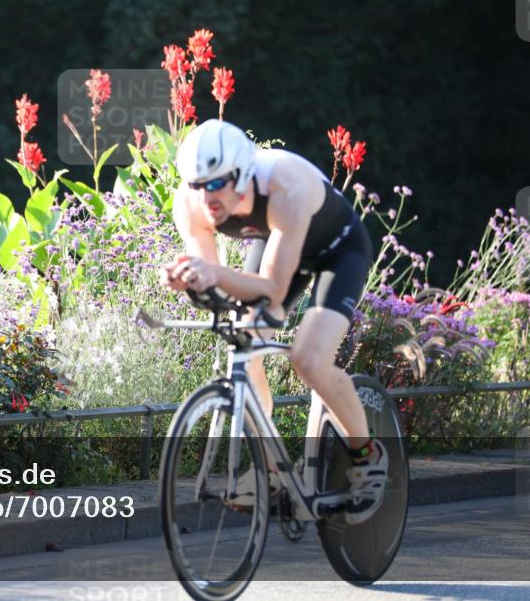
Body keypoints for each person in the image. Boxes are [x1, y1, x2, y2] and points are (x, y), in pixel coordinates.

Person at [159, 118, 386, 523]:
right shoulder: (190, 202)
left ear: (242, 174)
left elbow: (272, 290)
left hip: (337, 252)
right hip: (278, 242)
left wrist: (212, 275)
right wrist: (189, 281)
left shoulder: (284, 184)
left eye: (216, 184)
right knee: (243, 346)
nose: (205, 196)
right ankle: (272, 471)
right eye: (196, 184)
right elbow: (219, 289)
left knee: (309, 360)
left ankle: (367, 455)